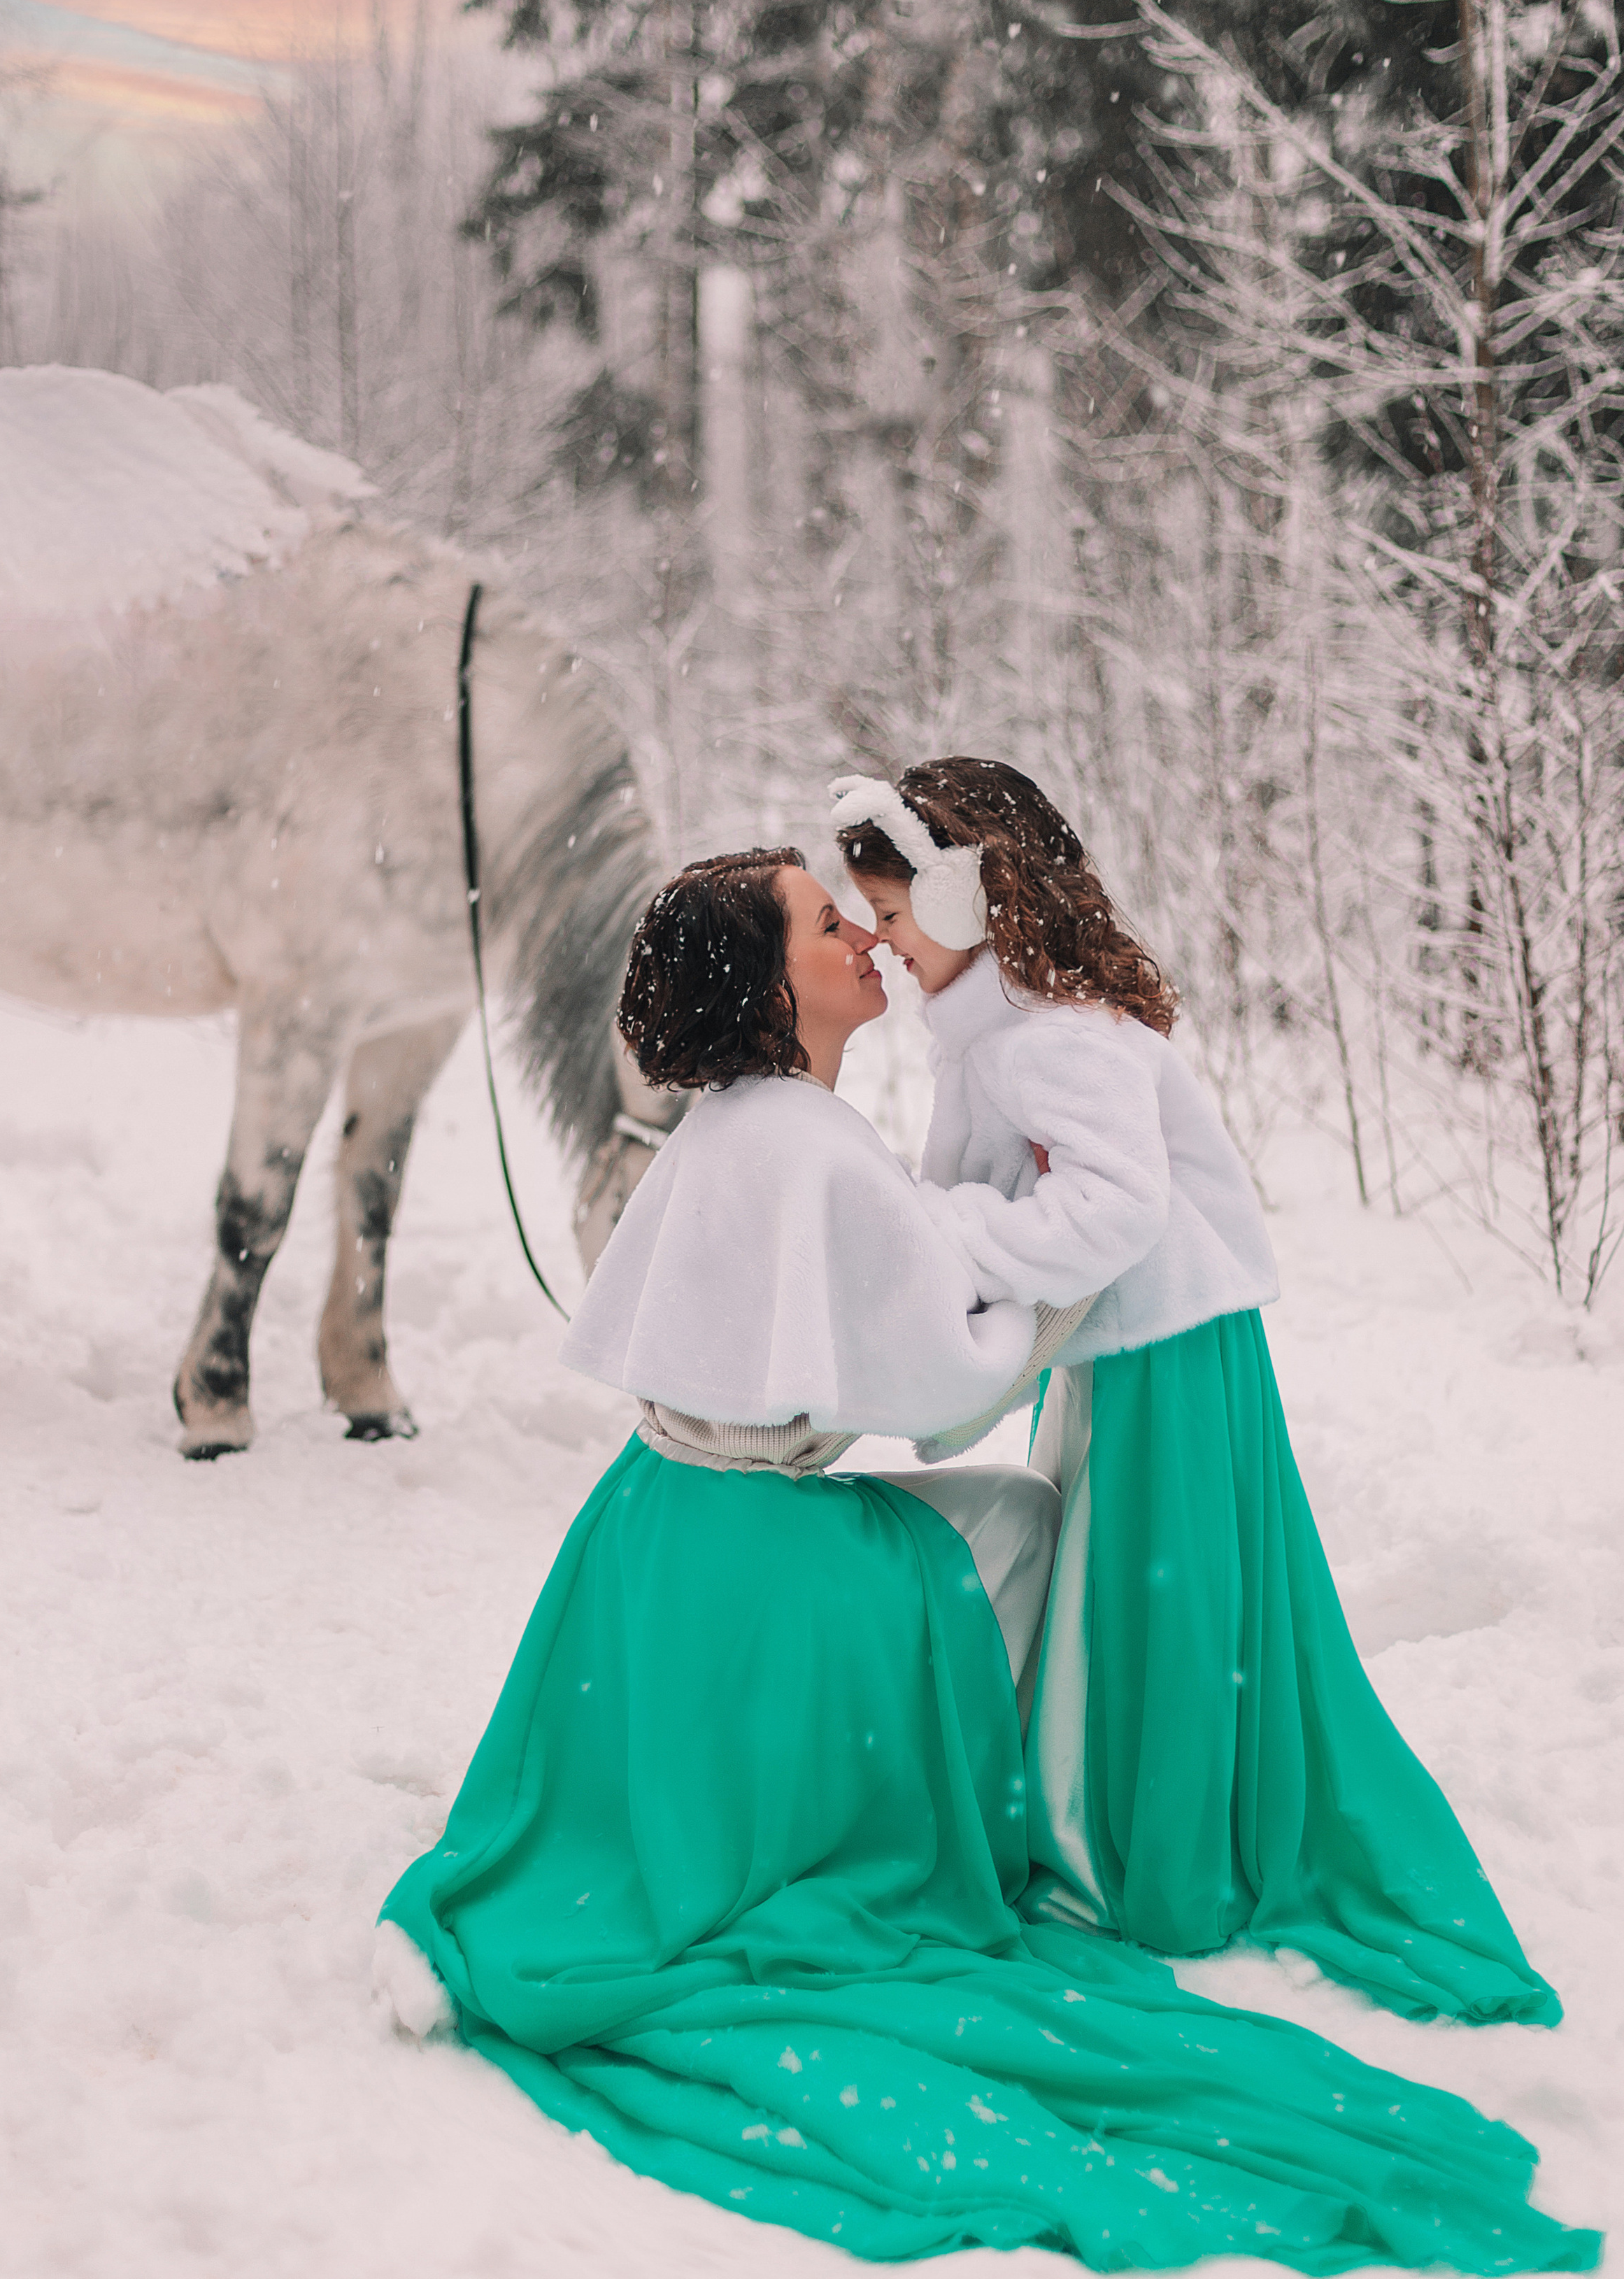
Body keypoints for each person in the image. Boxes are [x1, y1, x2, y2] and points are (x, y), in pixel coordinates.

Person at [376, 847, 1597, 2271]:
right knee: (1015, 1521)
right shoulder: (810, 1144)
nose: (862, 935)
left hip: (647, 1537)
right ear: (770, 987)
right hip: (757, 1558)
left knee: (968, 1526)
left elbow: (847, 1318)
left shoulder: (733, 1125)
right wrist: (1083, 1271)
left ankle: (898, 1790)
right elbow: (944, 1389)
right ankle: (961, 1819)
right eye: (824, 923)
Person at [833, 756, 1560, 2029]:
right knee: (1126, 1581)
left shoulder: (1048, 1038)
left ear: (963, 899)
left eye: (893, 913)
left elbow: (1117, 1206)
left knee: (1143, 1585)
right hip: (1137, 1345)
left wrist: (954, 1235)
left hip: (1161, 1350)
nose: (883, 941)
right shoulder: (1010, 1027)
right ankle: (1129, 1811)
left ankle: (1149, 1848)